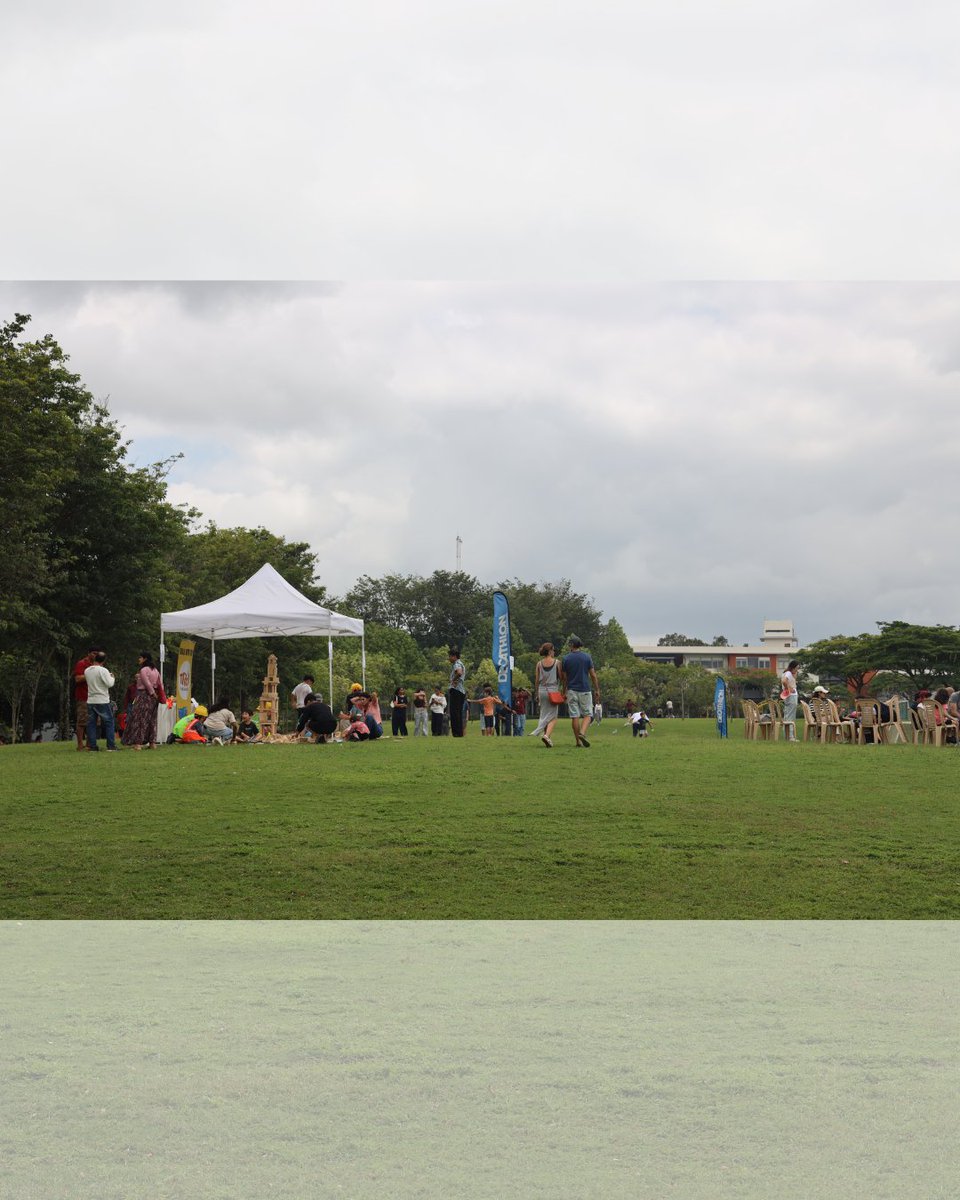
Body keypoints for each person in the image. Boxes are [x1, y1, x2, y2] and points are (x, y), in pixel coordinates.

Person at [560, 636, 600, 748]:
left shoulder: (566, 659)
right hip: (585, 690)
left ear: (572, 645)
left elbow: (564, 678)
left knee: (575, 716)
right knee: (588, 714)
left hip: (571, 690)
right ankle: (582, 733)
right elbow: (593, 675)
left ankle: (578, 741)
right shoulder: (587, 657)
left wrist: (564, 691)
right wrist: (597, 689)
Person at [122, 652, 165, 750]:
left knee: (140, 719)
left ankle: (138, 743)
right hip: (154, 698)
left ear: (145, 659)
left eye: (140, 658)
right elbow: (160, 683)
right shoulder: (155, 670)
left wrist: (152, 693)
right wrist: (157, 695)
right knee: (152, 719)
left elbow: (146, 683)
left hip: (144, 695)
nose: (139, 659)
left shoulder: (143, 670)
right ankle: (152, 742)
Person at [84, 651, 118, 752]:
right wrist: (112, 677)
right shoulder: (103, 670)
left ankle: (92, 746)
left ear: (95, 659)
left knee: (91, 723)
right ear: (103, 661)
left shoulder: (87, 670)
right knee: (109, 722)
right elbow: (109, 684)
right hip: (102, 699)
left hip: (91, 699)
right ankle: (111, 746)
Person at [531, 643, 562, 748]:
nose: (554, 652)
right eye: (553, 650)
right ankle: (547, 735)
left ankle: (546, 736)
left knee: (544, 715)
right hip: (553, 691)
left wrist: (536, 693)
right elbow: (561, 677)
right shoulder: (557, 663)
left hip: (542, 690)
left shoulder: (539, 664)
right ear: (550, 651)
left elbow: (536, 680)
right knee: (553, 716)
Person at [72, 648, 97, 751]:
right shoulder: (82, 663)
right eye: (93, 653)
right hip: (83, 696)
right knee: (82, 722)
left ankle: (89, 744)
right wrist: (91, 675)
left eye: (97, 654)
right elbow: (77, 678)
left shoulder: (97, 665)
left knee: (93, 721)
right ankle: (80, 744)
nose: (95, 655)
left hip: (95, 696)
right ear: (89, 653)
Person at [447, 648, 466, 737]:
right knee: (458, 712)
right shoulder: (460, 663)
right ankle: (459, 733)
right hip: (460, 691)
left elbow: (459, 673)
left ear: (454, 656)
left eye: (450, 656)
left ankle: (456, 733)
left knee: (454, 712)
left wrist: (453, 680)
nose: (449, 658)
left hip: (456, 690)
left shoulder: (457, 664)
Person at [780, 660, 799, 742]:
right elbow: (784, 681)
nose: (797, 670)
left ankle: (787, 735)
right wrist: (790, 688)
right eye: (796, 668)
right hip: (791, 696)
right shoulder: (788, 673)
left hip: (788, 696)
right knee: (791, 716)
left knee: (787, 716)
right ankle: (790, 736)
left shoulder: (787, 673)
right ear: (793, 667)